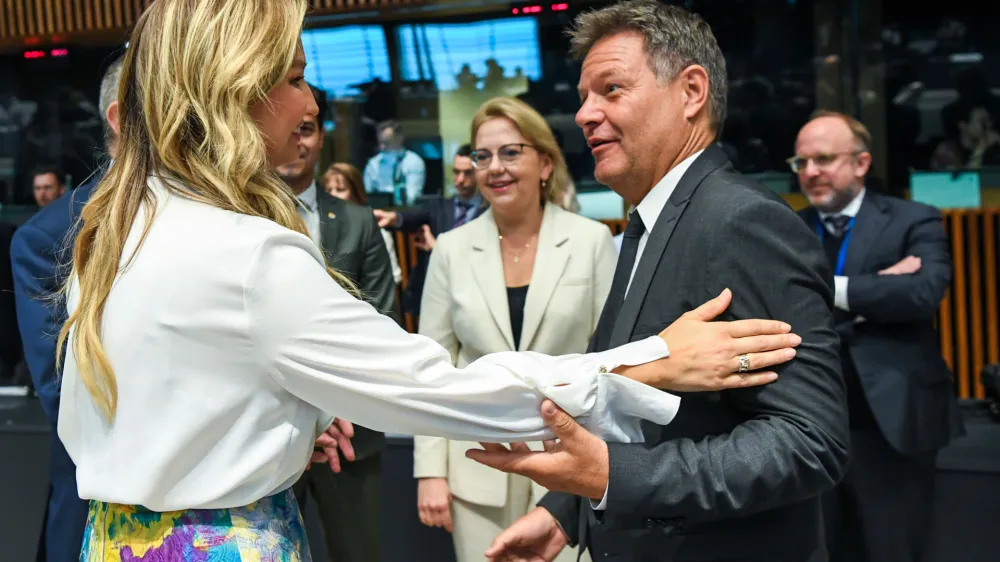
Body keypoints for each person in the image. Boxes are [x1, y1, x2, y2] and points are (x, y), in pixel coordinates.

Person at [58, 0, 799, 558]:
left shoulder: (117, 230)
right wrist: (655, 362)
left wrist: (285, 420)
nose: (313, 105)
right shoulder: (249, 256)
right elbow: (442, 390)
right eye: (294, 79)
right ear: (233, 90)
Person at [475, 3, 849, 562]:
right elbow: (636, 410)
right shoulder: (647, 221)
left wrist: (612, 476)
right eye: (583, 97)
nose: (584, 114)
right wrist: (564, 510)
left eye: (611, 89)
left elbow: (808, 443)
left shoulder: (741, 221)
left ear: (691, 91)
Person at [413, 97, 613, 562]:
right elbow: (431, 365)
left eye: (510, 152)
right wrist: (430, 472)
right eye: (483, 156)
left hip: (571, 468)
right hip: (476, 469)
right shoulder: (451, 249)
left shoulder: (590, 241)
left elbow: (612, 362)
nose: (494, 168)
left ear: (545, 163)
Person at [793, 111, 965, 562]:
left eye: (825, 159)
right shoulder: (784, 226)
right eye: (802, 162)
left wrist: (830, 289)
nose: (811, 172)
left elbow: (924, 292)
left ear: (862, 163)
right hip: (807, 426)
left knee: (893, 549)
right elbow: (767, 301)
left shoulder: (914, 218)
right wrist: (878, 288)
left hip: (891, 421)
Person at [275, 84, 400, 562]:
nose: (297, 140)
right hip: (268, 434)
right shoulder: (237, 218)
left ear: (320, 137)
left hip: (352, 437)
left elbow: (382, 324)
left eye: (306, 130)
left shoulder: (356, 220)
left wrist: (333, 411)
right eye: (288, 129)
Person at [10, 55, 123, 562]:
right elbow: (64, 392)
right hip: (99, 497)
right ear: (124, 119)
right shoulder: (50, 237)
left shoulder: (219, 220)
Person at [375, 144, 486, 318]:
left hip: (475, 295)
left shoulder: (489, 212)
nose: (460, 179)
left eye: (467, 173)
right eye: (456, 172)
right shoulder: (441, 206)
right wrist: (394, 217)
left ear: (479, 174)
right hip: (437, 295)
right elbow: (413, 217)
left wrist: (436, 248)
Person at [323, 161, 403, 286]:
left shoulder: (373, 232)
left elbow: (393, 278)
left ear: (356, 193)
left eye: (340, 190)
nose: (333, 196)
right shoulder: (317, 227)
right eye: (328, 190)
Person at [362, 119, 426, 205]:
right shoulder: (373, 164)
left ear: (400, 139)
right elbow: (365, 195)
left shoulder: (414, 162)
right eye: (380, 142)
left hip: (404, 213)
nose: (382, 147)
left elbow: (412, 197)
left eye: (386, 142)